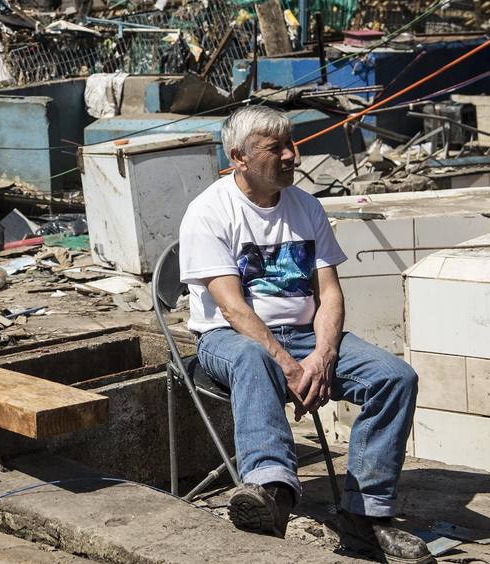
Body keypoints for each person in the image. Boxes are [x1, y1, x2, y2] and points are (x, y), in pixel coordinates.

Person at [178, 106, 429, 564]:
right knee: (255, 359)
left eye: (292, 144)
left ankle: (364, 518)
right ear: (239, 157)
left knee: (395, 377)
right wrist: (290, 366)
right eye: (276, 148)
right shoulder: (208, 212)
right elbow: (232, 308)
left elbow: (329, 292)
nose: (292, 155)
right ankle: (272, 492)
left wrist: (323, 356)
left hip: (305, 337)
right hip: (227, 340)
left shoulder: (306, 206)